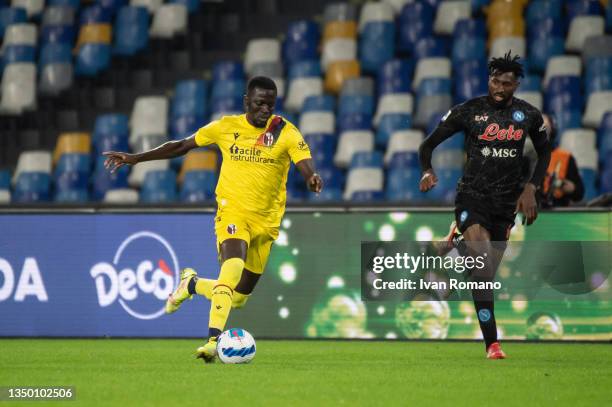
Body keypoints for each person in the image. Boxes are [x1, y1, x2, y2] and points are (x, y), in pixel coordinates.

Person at [103, 76, 323, 362]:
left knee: (239, 298)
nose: (265, 110)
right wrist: (136, 158)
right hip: (232, 213)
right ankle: (213, 341)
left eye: (270, 104)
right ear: (246, 101)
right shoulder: (225, 127)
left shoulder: (285, 131)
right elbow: (182, 145)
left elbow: (303, 162)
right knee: (230, 269)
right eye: (259, 103)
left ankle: (191, 284)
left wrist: (311, 177)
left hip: (266, 224)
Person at [418, 52, 551, 359]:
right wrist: (427, 170)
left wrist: (532, 187)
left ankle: (454, 247)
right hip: (472, 197)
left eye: (506, 83)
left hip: (504, 205)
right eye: (495, 81)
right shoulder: (469, 111)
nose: (499, 88)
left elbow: (545, 153)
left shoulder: (529, 115)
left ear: (516, 84)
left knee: (484, 273)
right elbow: (427, 145)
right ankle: (492, 344)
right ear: (489, 79)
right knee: (481, 266)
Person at [538, 114, 584, 207]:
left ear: (552, 130)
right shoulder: (522, 156)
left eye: (544, 127)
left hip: (556, 212)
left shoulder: (566, 157)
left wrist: (572, 189)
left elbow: (579, 193)